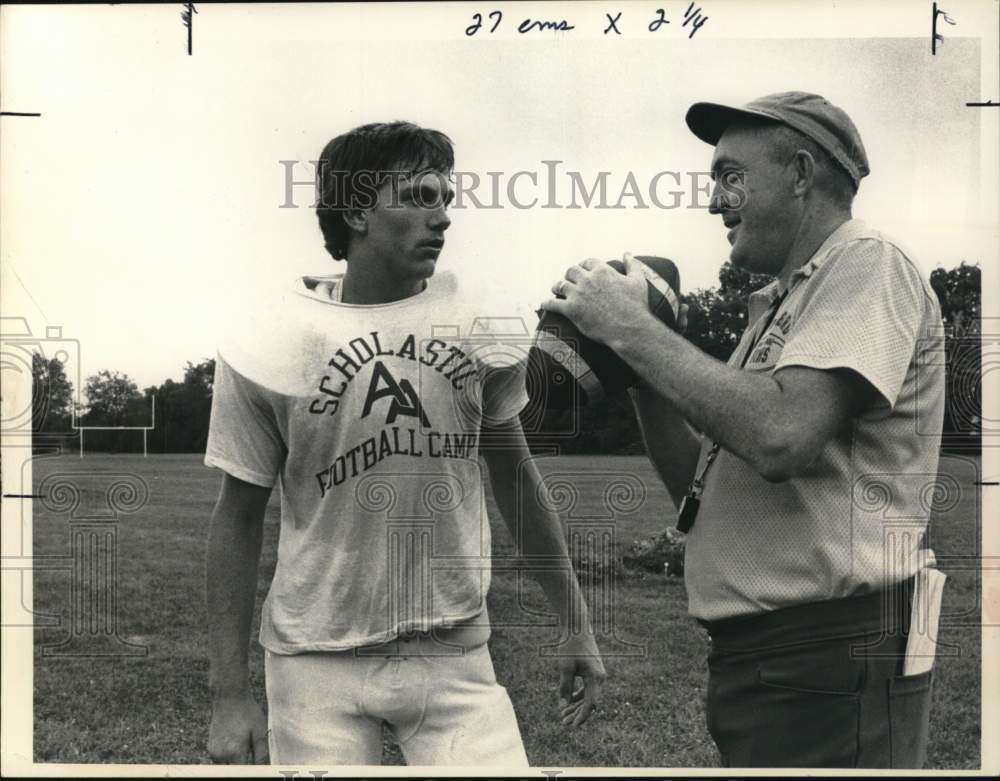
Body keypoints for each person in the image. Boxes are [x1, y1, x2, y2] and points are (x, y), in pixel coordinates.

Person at [542, 92, 945, 768]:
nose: (713, 202)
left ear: (800, 172)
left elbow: (782, 434)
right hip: (770, 658)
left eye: (730, 176)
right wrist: (638, 366)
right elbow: (699, 494)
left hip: (830, 651)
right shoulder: (779, 308)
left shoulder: (869, 263)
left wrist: (629, 326)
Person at [205, 121, 605, 767]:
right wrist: (229, 693)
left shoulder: (475, 319)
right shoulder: (273, 335)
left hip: (453, 653)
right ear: (357, 209)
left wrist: (575, 620)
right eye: (419, 196)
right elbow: (236, 518)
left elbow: (516, 481)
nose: (442, 217)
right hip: (314, 657)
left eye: (445, 198)